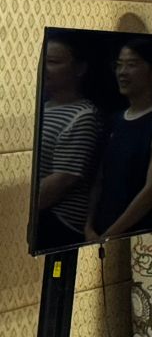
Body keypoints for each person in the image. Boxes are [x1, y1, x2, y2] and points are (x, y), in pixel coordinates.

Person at [89, 41, 152, 243]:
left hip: (138, 236)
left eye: (132, 64)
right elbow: (100, 179)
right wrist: (89, 225)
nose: (122, 72)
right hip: (100, 229)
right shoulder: (115, 120)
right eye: (119, 65)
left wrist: (110, 235)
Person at [36, 34, 101, 243]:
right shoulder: (43, 107)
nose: (45, 68)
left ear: (79, 69)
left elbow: (62, 180)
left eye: (53, 62)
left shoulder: (83, 116)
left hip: (59, 223)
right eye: (43, 61)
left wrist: (16, 208)